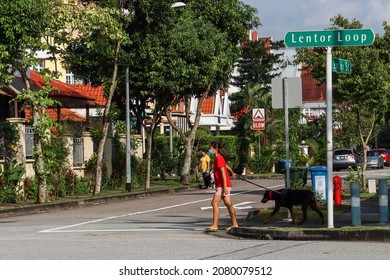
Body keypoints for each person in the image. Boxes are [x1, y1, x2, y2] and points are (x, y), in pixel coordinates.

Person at [205, 141, 239, 232]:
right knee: (228, 204)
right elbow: (226, 166)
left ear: (215, 149)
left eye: (210, 148)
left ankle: (215, 225)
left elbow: (223, 173)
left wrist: (224, 187)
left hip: (222, 185)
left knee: (214, 203)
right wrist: (232, 172)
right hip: (224, 185)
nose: (210, 150)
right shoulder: (219, 158)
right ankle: (235, 224)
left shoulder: (218, 158)